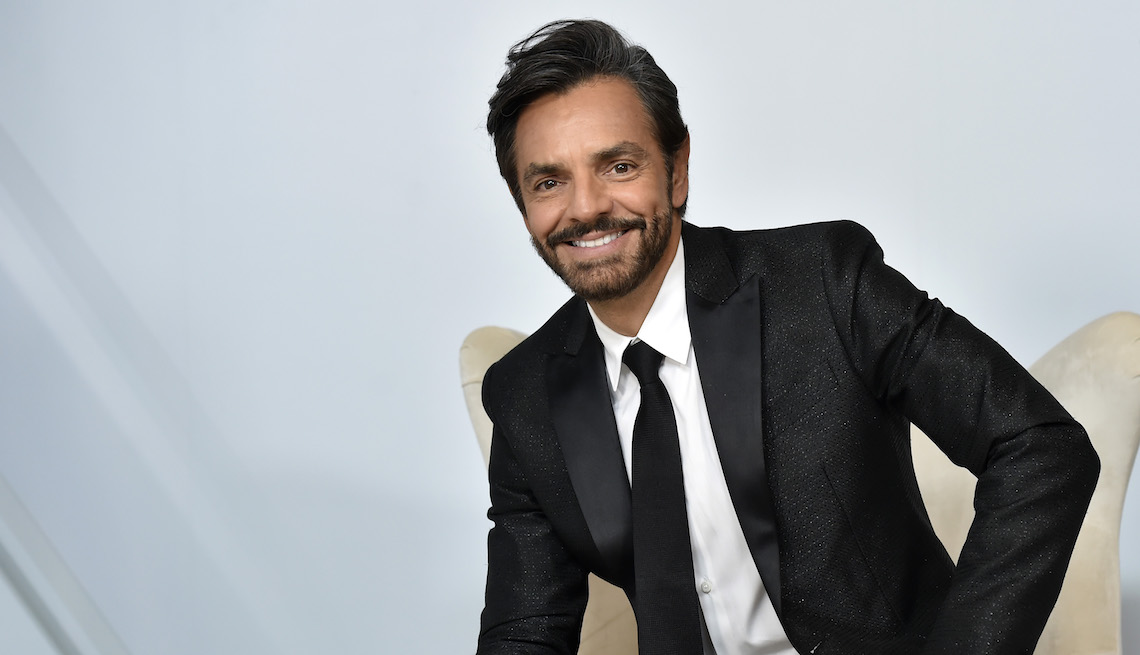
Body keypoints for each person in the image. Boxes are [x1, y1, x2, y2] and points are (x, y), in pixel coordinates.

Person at [477, 19, 1099, 655]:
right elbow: (526, 632)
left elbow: (1042, 448)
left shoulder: (823, 283)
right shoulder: (525, 395)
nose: (584, 207)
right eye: (548, 181)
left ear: (678, 168)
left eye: (618, 165)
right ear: (523, 204)